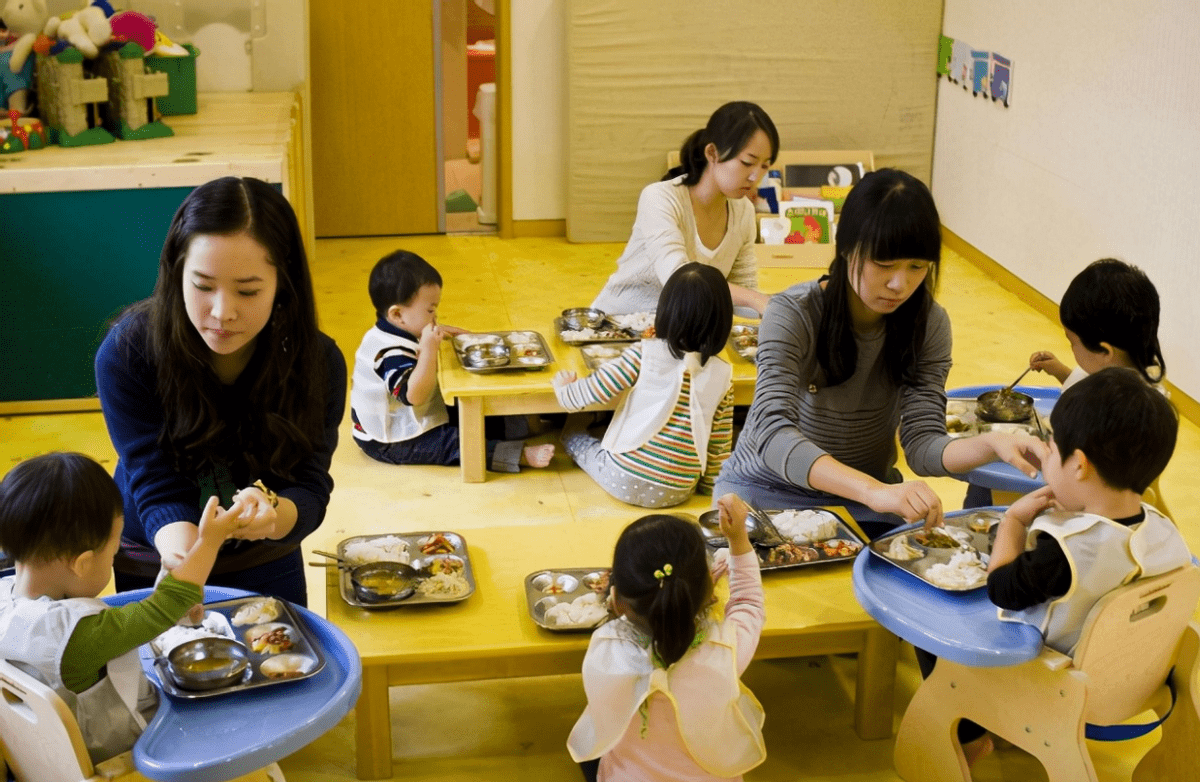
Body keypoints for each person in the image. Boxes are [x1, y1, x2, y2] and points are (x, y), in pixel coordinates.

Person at [714, 168, 1045, 538]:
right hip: (766, 491)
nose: (899, 284)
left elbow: (921, 444)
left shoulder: (929, 324)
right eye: (883, 265)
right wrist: (874, 491)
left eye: (917, 267)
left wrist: (990, 444)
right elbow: (772, 435)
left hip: (864, 502)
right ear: (846, 249)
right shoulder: (793, 313)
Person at [95, 176, 346, 606]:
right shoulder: (129, 352)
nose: (222, 312)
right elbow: (154, 480)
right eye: (203, 286)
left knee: (285, 668)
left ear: (282, 282)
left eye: (247, 290)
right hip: (158, 552)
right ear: (177, 272)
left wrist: (275, 516)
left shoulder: (317, 362)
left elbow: (309, 481)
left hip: (267, 555)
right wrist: (185, 564)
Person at [0, 452, 243, 764]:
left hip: (44, 762)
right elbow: (169, 604)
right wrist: (209, 541)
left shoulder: (8, 599)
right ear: (82, 563)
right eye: (113, 553)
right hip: (124, 758)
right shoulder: (79, 636)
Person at [989, 368, 1191, 651]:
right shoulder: (1166, 532)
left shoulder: (1063, 553)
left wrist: (1014, 520)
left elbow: (1000, 589)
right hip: (1128, 676)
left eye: (1052, 447)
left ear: (1079, 465)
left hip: (1051, 682)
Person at [568, 495, 766, 782]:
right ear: (709, 593)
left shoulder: (608, 648)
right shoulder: (726, 651)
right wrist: (738, 541)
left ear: (615, 599)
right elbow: (749, 603)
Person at [350, 249, 555, 473]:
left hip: (414, 416)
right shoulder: (386, 352)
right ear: (397, 315)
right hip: (390, 439)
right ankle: (518, 455)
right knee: (458, 441)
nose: (435, 319)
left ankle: (525, 422)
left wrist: (453, 337)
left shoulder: (401, 330)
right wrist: (428, 348)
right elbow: (414, 396)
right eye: (430, 311)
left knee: (469, 410)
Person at [554, 263, 734, 508]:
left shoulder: (645, 352)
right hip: (678, 492)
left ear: (666, 311)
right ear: (722, 320)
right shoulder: (723, 375)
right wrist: (708, 487)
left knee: (575, 437)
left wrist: (565, 391)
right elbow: (719, 446)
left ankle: (575, 434)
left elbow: (597, 389)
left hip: (621, 479)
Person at [591, 101, 779, 317]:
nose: (756, 176)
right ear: (713, 153)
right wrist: (756, 300)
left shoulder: (743, 210)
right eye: (747, 162)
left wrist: (785, 304)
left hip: (680, 334)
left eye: (765, 165)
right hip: (615, 327)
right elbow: (680, 280)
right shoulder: (660, 198)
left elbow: (743, 297)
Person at [1029, 258, 1166, 389]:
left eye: (1072, 342)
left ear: (1105, 352)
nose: (1072, 349)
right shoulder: (1124, 373)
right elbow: (1088, 383)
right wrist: (1060, 371)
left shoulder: (1117, 406)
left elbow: (1085, 394)